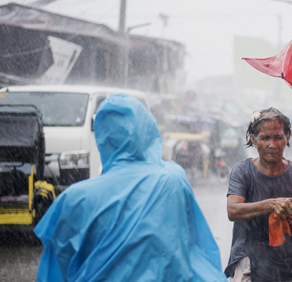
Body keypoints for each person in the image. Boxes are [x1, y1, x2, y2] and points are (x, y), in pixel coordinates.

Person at [34, 94, 227, 282]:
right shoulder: (171, 180)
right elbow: (199, 246)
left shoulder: (75, 199)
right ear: (148, 132)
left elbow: (54, 270)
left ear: (102, 139)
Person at [225, 107, 292, 282]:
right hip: (250, 259)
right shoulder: (242, 171)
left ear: (287, 138)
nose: (272, 144)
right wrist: (272, 204)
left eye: (278, 137)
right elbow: (233, 211)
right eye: (265, 138)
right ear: (253, 140)